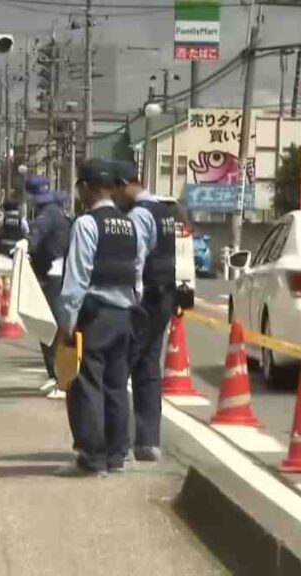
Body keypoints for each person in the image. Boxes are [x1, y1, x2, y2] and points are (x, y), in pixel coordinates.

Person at [58, 159, 145, 476]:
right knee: (117, 385)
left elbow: (77, 278)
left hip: (94, 315)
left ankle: (92, 457)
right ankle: (116, 454)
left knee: (88, 384)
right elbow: (137, 274)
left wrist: (67, 321)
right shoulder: (131, 225)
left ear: (87, 188)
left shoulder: (86, 224)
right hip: (124, 315)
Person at [113, 161, 176, 463]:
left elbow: (135, 258)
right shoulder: (164, 211)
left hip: (145, 298)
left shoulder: (139, 215)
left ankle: (119, 442)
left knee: (121, 366)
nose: (114, 198)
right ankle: (148, 442)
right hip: (165, 295)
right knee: (149, 369)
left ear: (125, 184)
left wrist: (130, 298)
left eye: (115, 190)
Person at [14, 175, 72, 400]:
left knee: (57, 327)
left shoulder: (48, 213)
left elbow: (38, 232)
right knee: (48, 327)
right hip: (50, 273)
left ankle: (63, 379)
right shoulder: (53, 210)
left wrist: (27, 242)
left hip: (54, 275)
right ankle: (55, 375)